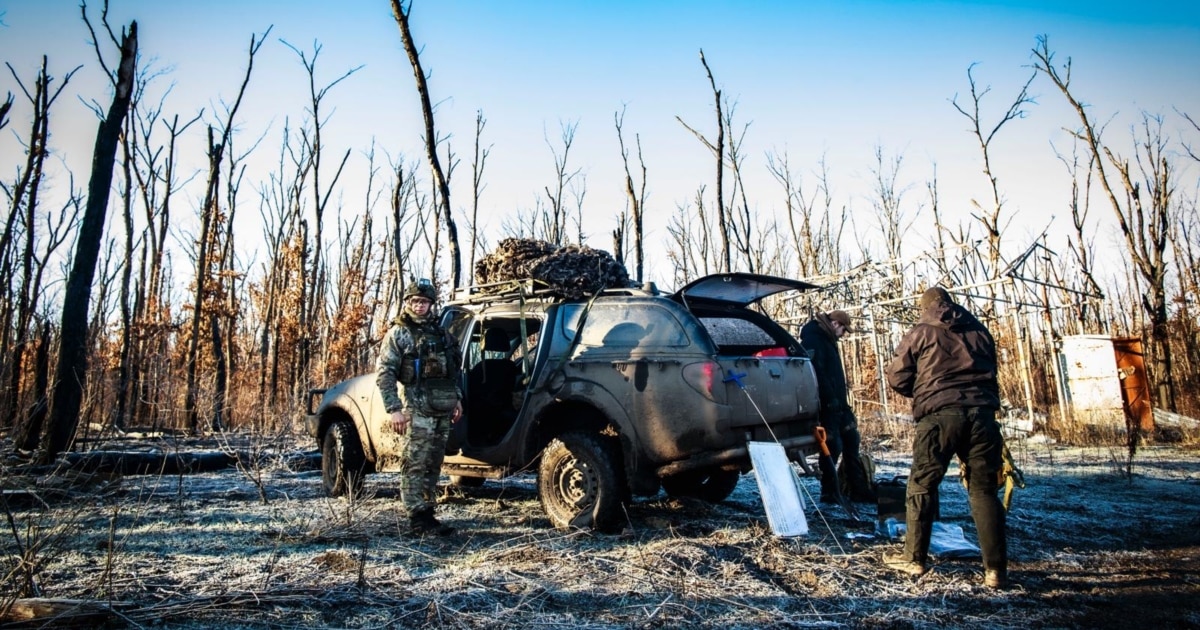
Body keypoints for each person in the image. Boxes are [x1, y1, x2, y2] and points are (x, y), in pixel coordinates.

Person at [883, 287, 1008, 589]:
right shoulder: (980, 331)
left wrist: (925, 391)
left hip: (939, 416)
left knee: (922, 485)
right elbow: (992, 371)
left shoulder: (922, 331)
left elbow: (897, 376)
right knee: (984, 491)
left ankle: (914, 559)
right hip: (982, 416)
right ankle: (995, 570)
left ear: (925, 307)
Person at [376, 281, 464, 536]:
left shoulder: (441, 333)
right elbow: (385, 373)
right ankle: (417, 516)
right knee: (415, 461)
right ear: (407, 303)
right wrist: (394, 409)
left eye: (424, 302)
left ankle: (428, 512)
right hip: (416, 408)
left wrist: (457, 399)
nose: (419, 306)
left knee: (434, 462)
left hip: (442, 407)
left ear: (431, 304)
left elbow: (452, 371)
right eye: (415, 301)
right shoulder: (399, 334)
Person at [799, 310, 873, 504]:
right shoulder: (814, 340)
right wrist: (829, 398)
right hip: (826, 404)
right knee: (832, 446)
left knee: (851, 438)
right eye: (844, 330)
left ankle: (857, 489)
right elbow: (817, 372)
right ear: (835, 324)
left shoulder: (827, 339)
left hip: (839, 402)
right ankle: (829, 491)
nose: (844, 334)